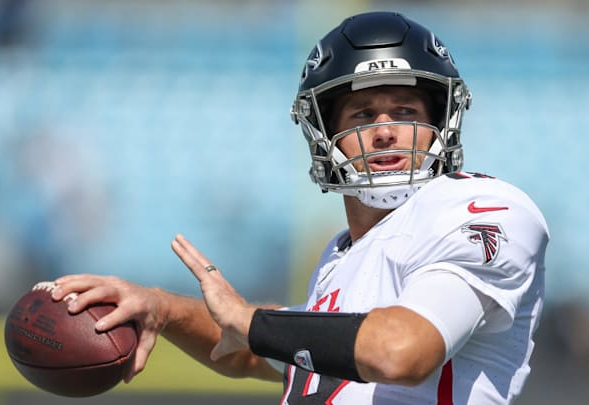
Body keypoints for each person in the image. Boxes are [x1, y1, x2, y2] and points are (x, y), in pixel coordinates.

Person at [51, 11, 549, 404]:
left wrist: (251, 324)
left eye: (406, 111)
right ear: (324, 135)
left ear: (441, 122)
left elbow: (402, 351)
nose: (384, 130)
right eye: (361, 113)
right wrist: (162, 307)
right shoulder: (345, 256)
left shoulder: (483, 209)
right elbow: (256, 352)